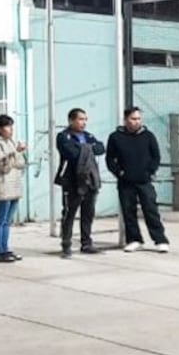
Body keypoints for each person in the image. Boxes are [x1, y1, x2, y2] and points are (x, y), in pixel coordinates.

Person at [105, 106, 170, 253]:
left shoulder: (148, 136)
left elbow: (156, 156)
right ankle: (134, 240)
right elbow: (110, 159)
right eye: (133, 119)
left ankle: (160, 240)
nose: (136, 122)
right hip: (125, 181)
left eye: (138, 119)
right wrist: (119, 173)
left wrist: (150, 172)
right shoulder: (115, 137)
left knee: (151, 209)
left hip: (144, 181)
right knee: (128, 211)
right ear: (126, 120)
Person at [55, 108, 105, 258]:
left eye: (85, 119)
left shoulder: (88, 136)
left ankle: (87, 243)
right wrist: (88, 148)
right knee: (70, 213)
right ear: (71, 120)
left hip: (90, 179)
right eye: (80, 119)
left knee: (88, 212)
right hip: (72, 181)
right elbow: (72, 153)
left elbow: (100, 148)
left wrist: (86, 148)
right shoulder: (64, 136)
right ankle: (66, 245)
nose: (83, 122)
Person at [0, 114, 27, 263]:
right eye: (8, 127)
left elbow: (20, 163)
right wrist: (16, 153)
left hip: (14, 185)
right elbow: (4, 166)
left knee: (8, 221)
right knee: (0, 220)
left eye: (11, 127)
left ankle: (6, 249)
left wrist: (17, 153)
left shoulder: (11, 142)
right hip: (1, 185)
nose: (11, 130)